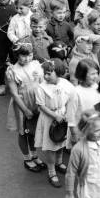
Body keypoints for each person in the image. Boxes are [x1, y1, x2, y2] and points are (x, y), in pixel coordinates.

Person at [5, 41, 45, 172]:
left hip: (35, 101)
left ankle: (34, 155)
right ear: (17, 55)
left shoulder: (36, 65)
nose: (27, 58)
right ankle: (27, 158)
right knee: (23, 132)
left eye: (30, 55)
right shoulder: (12, 71)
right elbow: (14, 94)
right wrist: (25, 110)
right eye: (23, 55)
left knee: (32, 131)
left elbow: (41, 82)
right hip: (22, 104)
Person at [35, 58, 73, 187]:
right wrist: (55, 116)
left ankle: (59, 162)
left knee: (61, 141)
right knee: (51, 146)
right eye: (45, 73)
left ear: (58, 72)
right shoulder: (41, 88)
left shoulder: (66, 84)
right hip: (50, 118)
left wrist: (67, 113)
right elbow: (41, 106)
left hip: (63, 116)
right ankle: (51, 171)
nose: (46, 76)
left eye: (49, 73)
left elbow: (70, 100)